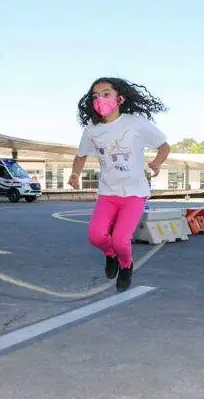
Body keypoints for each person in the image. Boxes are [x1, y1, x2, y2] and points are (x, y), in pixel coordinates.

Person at [69, 77, 170, 292]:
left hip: (134, 193)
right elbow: (80, 156)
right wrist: (75, 174)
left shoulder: (135, 123)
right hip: (108, 192)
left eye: (106, 94)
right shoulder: (92, 129)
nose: (100, 100)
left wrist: (157, 163)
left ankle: (126, 265)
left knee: (121, 240)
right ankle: (110, 255)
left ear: (120, 98)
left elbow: (164, 146)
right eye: (95, 96)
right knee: (96, 237)